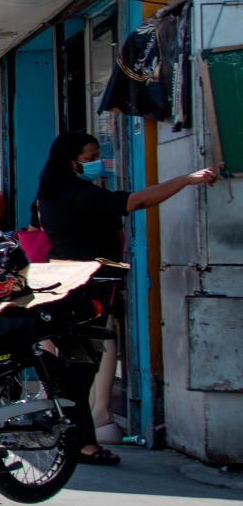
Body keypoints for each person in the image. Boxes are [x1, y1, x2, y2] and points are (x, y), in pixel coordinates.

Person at [34, 130, 217, 465]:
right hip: (84, 290)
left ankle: (75, 437)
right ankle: (81, 442)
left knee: (75, 367)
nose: (96, 164)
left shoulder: (51, 193)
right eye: (90, 159)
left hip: (63, 284)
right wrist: (186, 179)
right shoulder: (78, 193)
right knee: (81, 369)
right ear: (71, 161)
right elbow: (138, 201)